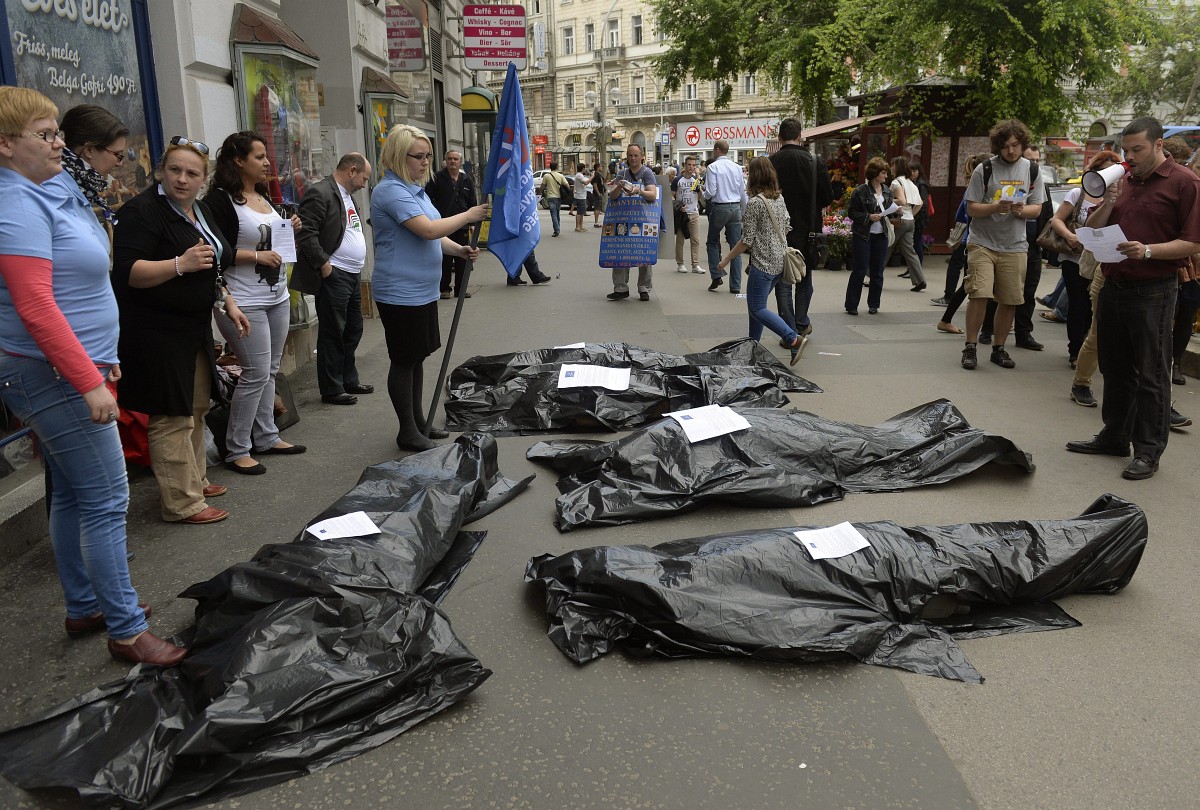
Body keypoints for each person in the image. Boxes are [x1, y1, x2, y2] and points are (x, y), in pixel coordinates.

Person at [0, 87, 186, 666]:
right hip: (53, 375)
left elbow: (73, 290)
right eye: (45, 135)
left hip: (70, 366)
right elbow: (36, 307)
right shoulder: (15, 205)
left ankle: (86, 604)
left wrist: (102, 357)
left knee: (75, 495)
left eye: (59, 132)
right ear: (5, 145)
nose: (60, 144)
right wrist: (87, 380)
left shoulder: (40, 194)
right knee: (107, 497)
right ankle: (126, 630)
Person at [112, 136, 247, 524]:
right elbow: (128, 273)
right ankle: (181, 502)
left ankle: (195, 479)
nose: (182, 179)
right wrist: (178, 264)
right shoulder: (143, 211)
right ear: (161, 171)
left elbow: (214, 263)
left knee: (196, 407)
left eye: (191, 173)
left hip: (193, 328)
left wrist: (228, 301)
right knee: (171, 415)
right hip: (156, 330)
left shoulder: (199, 211)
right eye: (175, 170)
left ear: (203, 179)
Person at [1066, 117, 1200, 480]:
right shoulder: (1122, 180)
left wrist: (1148, 251)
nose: (1130, 157)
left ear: (1159, 145)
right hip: (1113, 284)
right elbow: (1089, 229)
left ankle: (1148, 451)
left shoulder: (1184, 182)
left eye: (1137, 150)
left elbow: (1193, 242)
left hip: (1153, 289)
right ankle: (1114, 436)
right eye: (1127, 150)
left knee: (1151, 373)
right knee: (1115, 366)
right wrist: (1108, 203)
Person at [371, 125, 486, 451]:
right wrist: (467, 216)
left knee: (417, 356)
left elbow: (437, 236)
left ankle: (418, 422)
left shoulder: (414, 190)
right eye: (418, 157)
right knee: (405, 359)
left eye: (427, 156)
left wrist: (459, 250)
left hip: (421, 290)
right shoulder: (390, 191)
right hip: (399, 290)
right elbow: (427, 230)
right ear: (398, 155)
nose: (425, 163)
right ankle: (407, 430)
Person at [206, 131, 307, 475]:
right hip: (242, 300)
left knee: (270, 370)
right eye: (259, 157)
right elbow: (217, 251)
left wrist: (287, 226)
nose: (267, 163)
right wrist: (257, 257)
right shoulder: (221, 200)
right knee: (254, 373)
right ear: (238, 161)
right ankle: (237, 449)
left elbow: (269, 236)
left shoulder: (262, 194)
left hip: (276, 296)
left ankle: (267, 435)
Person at [959, 119, 1044, 371]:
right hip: (982, 242)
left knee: (1010, 299)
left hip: (1015, 244)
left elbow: (1037, 209)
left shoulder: (1032, 171)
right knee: (980, 294)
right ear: (998, 146)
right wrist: (995, 207)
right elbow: (971, 208)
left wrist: (1021, 210)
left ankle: (999, 348)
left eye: (1015, 145)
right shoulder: (984, 169)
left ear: (1022, 144)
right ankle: (971, 346)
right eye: (1006, 146)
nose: (1011, 150)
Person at [292, 152, 374, 406]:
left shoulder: (348, 195)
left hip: (351, 273)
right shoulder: (321, 192)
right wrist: (324, 264)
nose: (364, 183)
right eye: (363, 177)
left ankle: (348, 379)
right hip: (335, 272)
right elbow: (306, 232)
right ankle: (331, 388)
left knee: (353, 328)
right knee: (333, 332)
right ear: (352, 170)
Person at [716, 157, 805, 364]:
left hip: (762, 264)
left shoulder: (755, 203)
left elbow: (746, 240)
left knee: (757, 308)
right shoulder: (779, 199)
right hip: (779, 262)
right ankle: (752, 348)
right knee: (756, 307)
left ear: (753, 177)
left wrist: (725, 260)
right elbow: (787, 225)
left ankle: (793, 339)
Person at [1047, 150, 1121, 376]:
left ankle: (1090, 349)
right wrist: (1070, 236)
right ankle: (1075, 350)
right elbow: (1056, 219)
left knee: (1095, 307)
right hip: (1075, 259)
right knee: (1078, 304)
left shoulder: (1120, 197)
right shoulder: (1078, 193)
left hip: (1103, 261)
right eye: (1102, 171)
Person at [978, 144, 1048, 351]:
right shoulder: (993, 170)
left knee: (1024, 292)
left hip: (1032, 243)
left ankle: (1023, 333)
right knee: (993, 291)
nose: (1034, 164)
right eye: (1031, 160)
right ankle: (986, 330)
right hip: (998, 241)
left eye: (1037, 160)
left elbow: (1044, 211)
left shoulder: (1036, 176)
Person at [769, 118, 834, 334]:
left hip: (778, 232)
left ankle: (788, 330)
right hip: (809, 231)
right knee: (805, 280)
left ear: (779, 138)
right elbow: (827, 197)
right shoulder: (815, 162)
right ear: (800, 137)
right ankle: (802, 322)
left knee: (783, 282)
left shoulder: (771, 163)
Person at [935, 153, 992, 334]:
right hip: (976, 242)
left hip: (977, 241)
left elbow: (959, 216)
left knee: (972, 285)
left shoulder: (977, 187)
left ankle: (950, 320)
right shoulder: (976, 189)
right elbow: (963, 214)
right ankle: (950, 321)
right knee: (973, 286)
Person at [58, 104, 127, 230]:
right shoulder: (58, 193)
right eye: (117, 154)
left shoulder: (82, 187)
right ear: (89, 150)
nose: (119, 163)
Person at [606, 143, 658, 302]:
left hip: (643, 219)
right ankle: (620, 288)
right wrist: (618, 187)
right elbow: (612, 196)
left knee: (644, 252)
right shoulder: (622, 173)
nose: (633, 158)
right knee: (620, 252)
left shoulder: (647, 173)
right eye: (630, 155)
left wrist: (638, 191)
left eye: (636, 155)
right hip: (623, 219)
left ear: (641, 155)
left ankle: (644, 288)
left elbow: (653, 195)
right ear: (626, 156)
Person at [844, 157, 893, 316]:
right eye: (883, 173)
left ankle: (874, 304)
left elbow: (889, 208)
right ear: (874, 173)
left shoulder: (886, 191)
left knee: (877, 271)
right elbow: (852, 212)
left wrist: (894, 211)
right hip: (863, 235)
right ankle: (851, 305)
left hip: (881, 235)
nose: (886, 176)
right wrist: (868, 217)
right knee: (859, 270)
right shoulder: (860, 191)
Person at [426, 149, 477, 300]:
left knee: (462, 258)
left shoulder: (466, 179)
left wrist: (472, 223)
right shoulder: (436, 178)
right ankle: (444, 289)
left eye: (455, 159)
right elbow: (427, 199)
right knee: (445, 259)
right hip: (443, 224)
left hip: (462, 225)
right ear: (445, 161)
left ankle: (461, 289)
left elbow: (472, 202)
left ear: (460, 162)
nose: (452, 161)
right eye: (450, 159)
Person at [704, 139, 749, 293]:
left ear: (717, 150)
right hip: (735, 207)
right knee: (735, 246)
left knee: (711, 242)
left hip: (720, 207)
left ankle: (716, 275)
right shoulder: (737, 167)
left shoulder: (713, 167)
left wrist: (702, 194)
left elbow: (711, 192)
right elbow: (743, 192)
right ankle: (735, 285)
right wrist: (743, 211)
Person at [888, 155, 926, 292]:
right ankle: (919, 280)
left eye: (892, 165)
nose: (890, 168)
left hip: (900, 220)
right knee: (910, 252)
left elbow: (902, 201)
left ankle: (872, 276)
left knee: (886, 247)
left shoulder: (896, 183)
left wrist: (888, 200)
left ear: (896, 167)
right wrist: (911, 215)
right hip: (910, 220)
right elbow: (920, 203)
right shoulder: (911, 183)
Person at [672, 154, 704, 274]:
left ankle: (695, 265)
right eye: (689, 165)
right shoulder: (677, 180)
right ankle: (680, 263)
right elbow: (672, 195)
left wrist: (699, 183)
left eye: (693, 165)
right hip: (682, 214)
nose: (691, 167)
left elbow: (699, 196)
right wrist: (678, 206)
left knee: (695, 240)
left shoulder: (696, 180)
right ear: (685, 165)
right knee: (680, 239)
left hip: (694, 212)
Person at [910, 163, 931, 263]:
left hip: (919, 216)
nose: (912, 173)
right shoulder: (914, 182)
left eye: (914, 171)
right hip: (916, 214)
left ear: (919, 171)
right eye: (911, 171)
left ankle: (917, 265)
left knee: (917, 241)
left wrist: (914, 214)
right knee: (913, 242)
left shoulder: (921, 184)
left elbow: (923, 202)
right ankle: (912, 267)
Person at [541, 160, 567, 237]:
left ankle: (556, 230)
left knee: (553, 214)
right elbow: (567, 185)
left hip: (550, 197)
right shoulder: (561, 176)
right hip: (558, 197)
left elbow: (542, 186)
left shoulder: (546, 176)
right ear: (557, 167)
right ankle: (558, 228)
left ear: (550, 167)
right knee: (557, 213)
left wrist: (539, 192)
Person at [571, 164, 592, 232]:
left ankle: (581, 226)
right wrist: (592, 177)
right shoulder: (579, 175)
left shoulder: (580, 175)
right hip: (580, 196)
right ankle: (577, 227)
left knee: (582, 212)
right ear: (583, 168)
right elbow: (586, 182)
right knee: (579, 212)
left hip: (582, 195)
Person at [591, 162, 607, 228]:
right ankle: (596, 222)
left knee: (598, 207)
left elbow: (604, 181)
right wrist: (598, 193)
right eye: (601, 166)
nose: (601, 168)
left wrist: (607, 174)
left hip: (601, 192)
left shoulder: (599, 175)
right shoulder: (596, 175)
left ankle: (596, 221)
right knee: (597, 207)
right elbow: (594, 184)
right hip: (597, 193)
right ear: (597, 167)